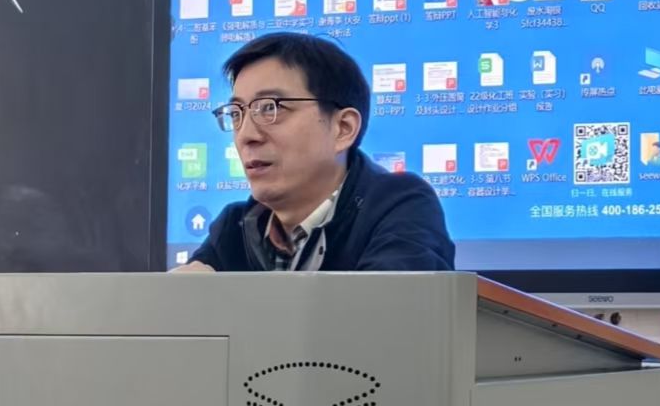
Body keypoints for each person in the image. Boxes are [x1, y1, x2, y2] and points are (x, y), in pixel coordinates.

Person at [175, 32, 454, 272]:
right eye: (237, 114)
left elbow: (387, 312)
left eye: (270, 108)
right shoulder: (235, 227)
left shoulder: (398, 206)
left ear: (343, 128)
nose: (246, 135)